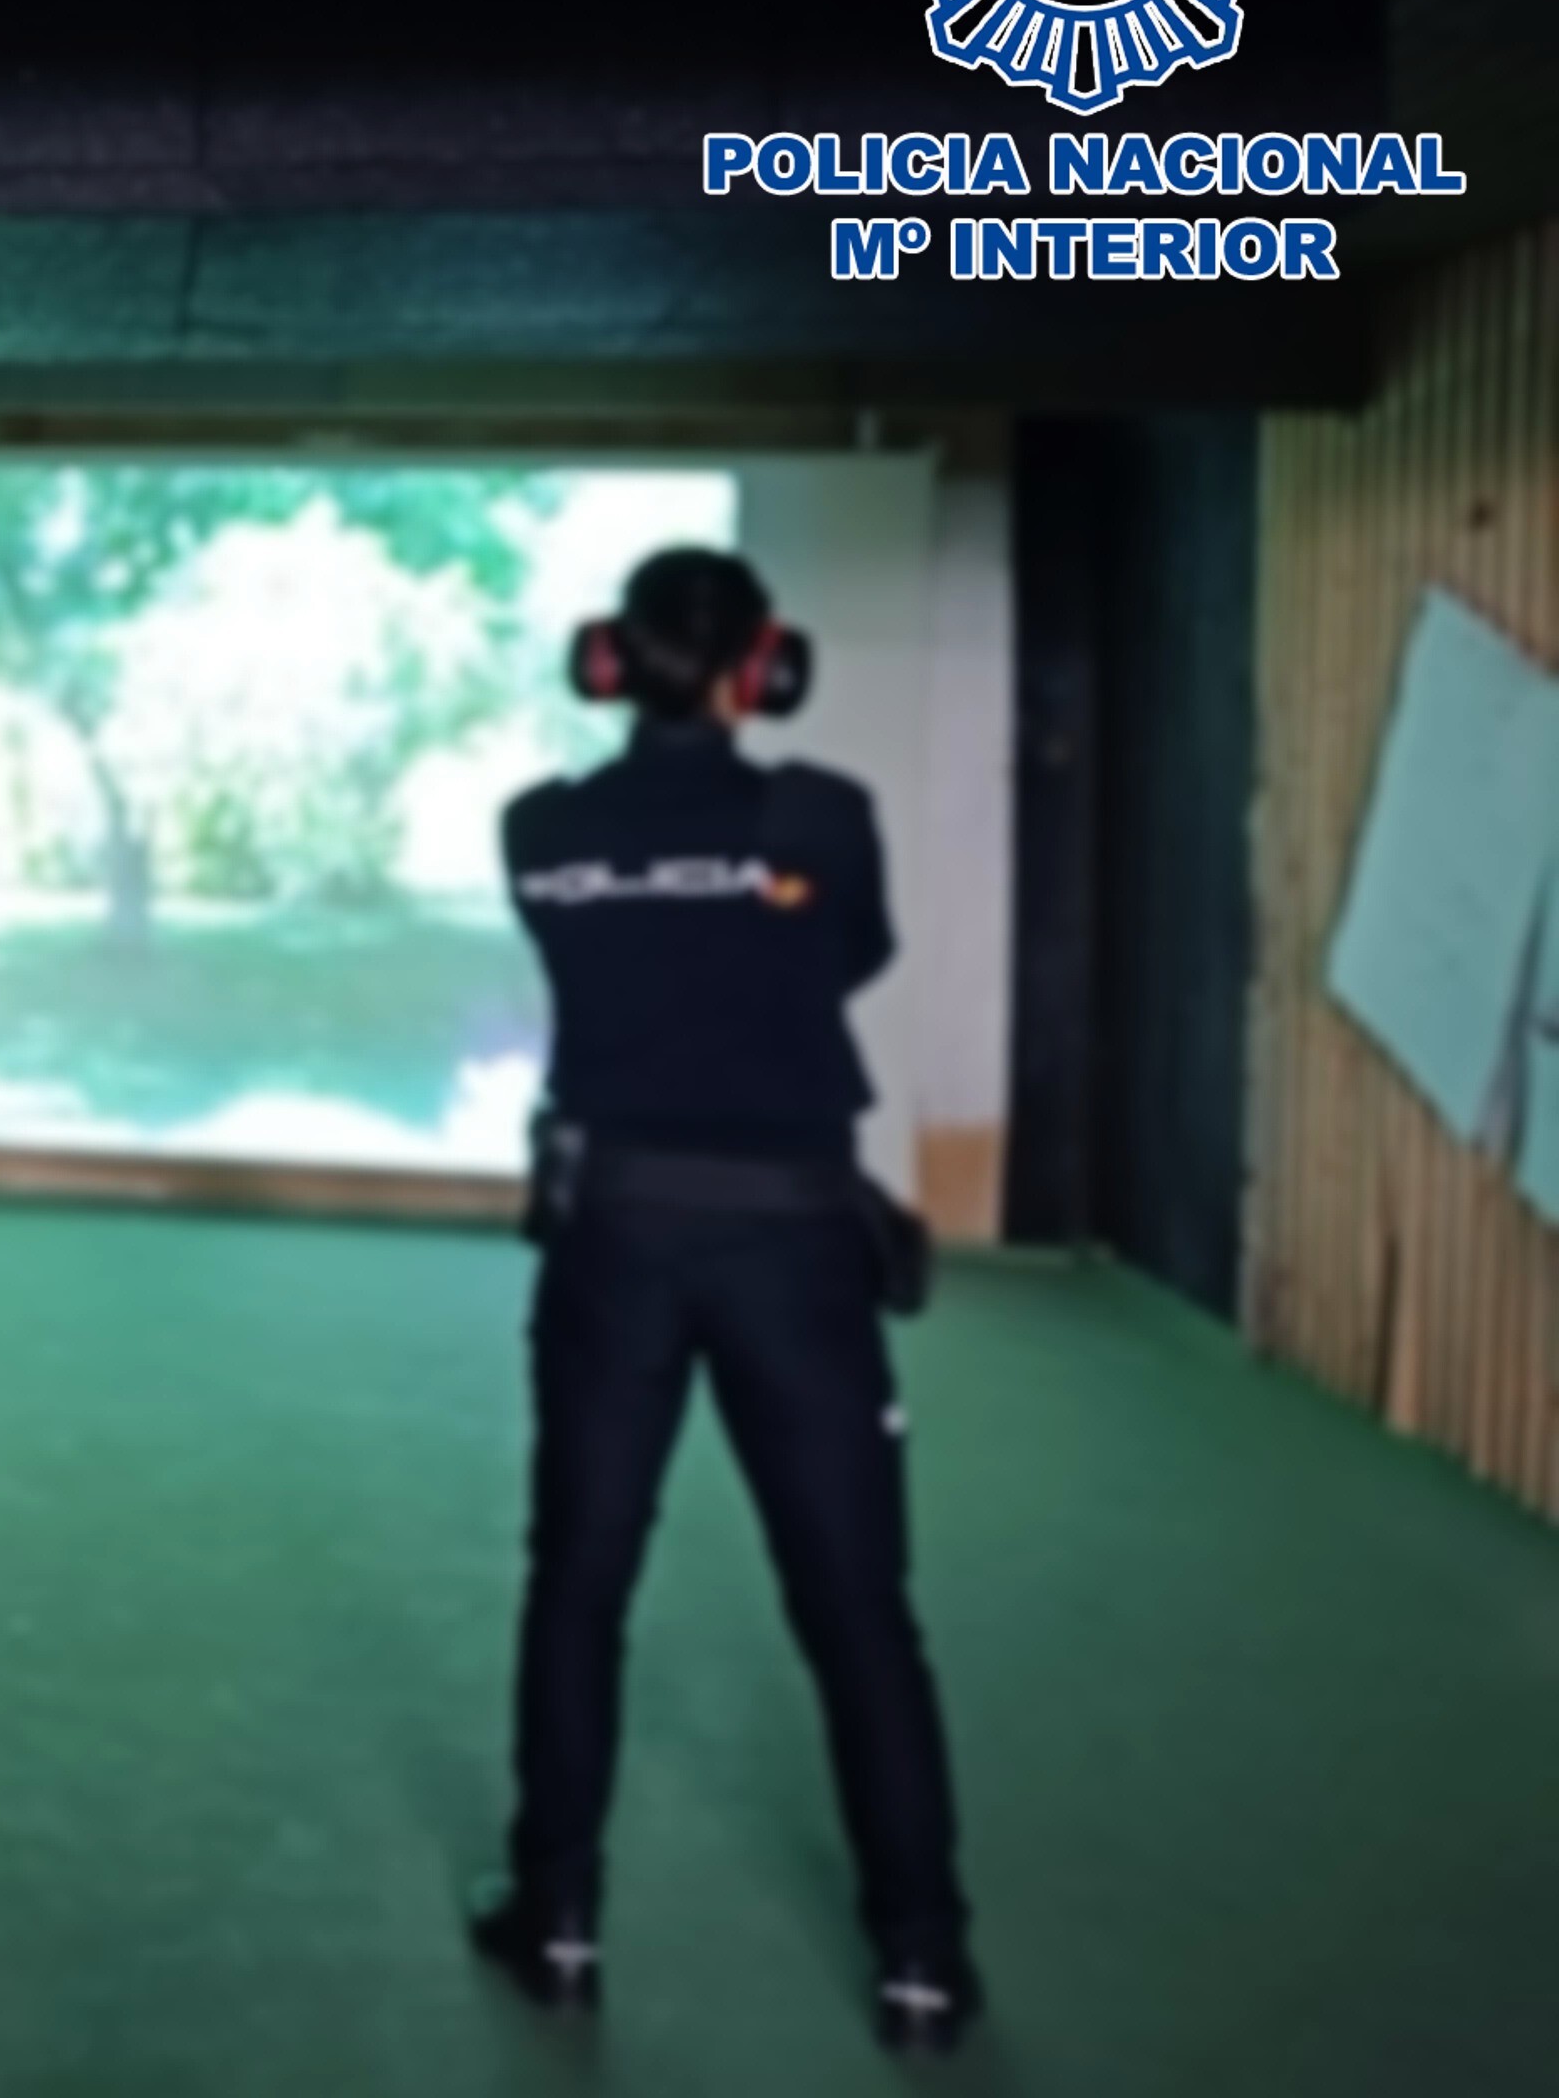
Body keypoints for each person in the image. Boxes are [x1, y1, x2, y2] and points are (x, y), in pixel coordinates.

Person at [467, 546, 976, 2052]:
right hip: (793, 1251)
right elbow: (843, 958)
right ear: (766, 669)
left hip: (612, 1241)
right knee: (858, 1609)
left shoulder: (542, 828)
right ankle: (922, 1964)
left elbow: (619, 960)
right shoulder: (823, 819)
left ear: (606, 662)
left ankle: (557, 1920)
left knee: (579, 1584)